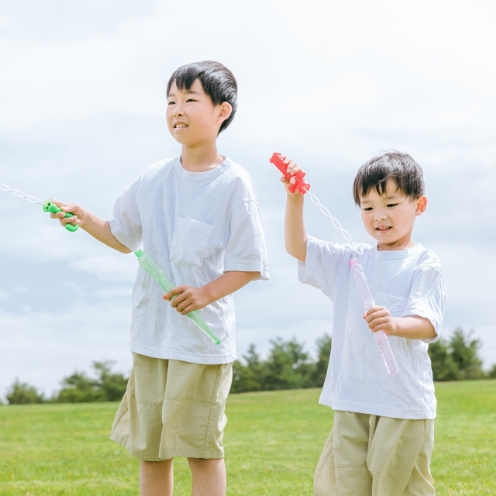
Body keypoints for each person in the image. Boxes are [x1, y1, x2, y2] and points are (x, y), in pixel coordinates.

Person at [51, 61, 268, 496]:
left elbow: (249, 263)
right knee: (151, 451)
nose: (177, 110)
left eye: (190, 100)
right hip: (151, 336)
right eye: (171, 101)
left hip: (200, 344)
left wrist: (206, 293)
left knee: (201, 450)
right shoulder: (153, 178)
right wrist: (86, 218)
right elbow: (121, 235)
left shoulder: (233, 183)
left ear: (222, 111)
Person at [282, 152, 446, 496]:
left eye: (390, 203)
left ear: (420, 204)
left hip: (402, 402)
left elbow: (428, 324)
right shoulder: (351, 261)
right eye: (367, 207)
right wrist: (294, 199)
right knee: (346, 486)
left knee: (396, 486)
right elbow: (299, 248)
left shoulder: (424, 262)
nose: (378, 216)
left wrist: (395, 324)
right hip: (351, 397)